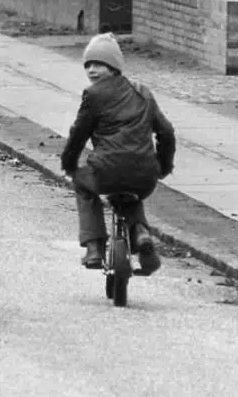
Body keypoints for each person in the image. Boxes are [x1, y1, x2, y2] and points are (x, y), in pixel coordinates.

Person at [60, 33, 177, 274]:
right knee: (128, 192)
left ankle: (94, 247)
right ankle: (141, 234)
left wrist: (70, 165)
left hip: (107, 170)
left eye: (99, 64)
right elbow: (166, 132)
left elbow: (78, 135)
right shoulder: (143, 93)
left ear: (113, 67)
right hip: (145, 174)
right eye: (88, 65)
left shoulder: (94, 95)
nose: (92, 70)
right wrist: (163, 167)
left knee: (84, 184)